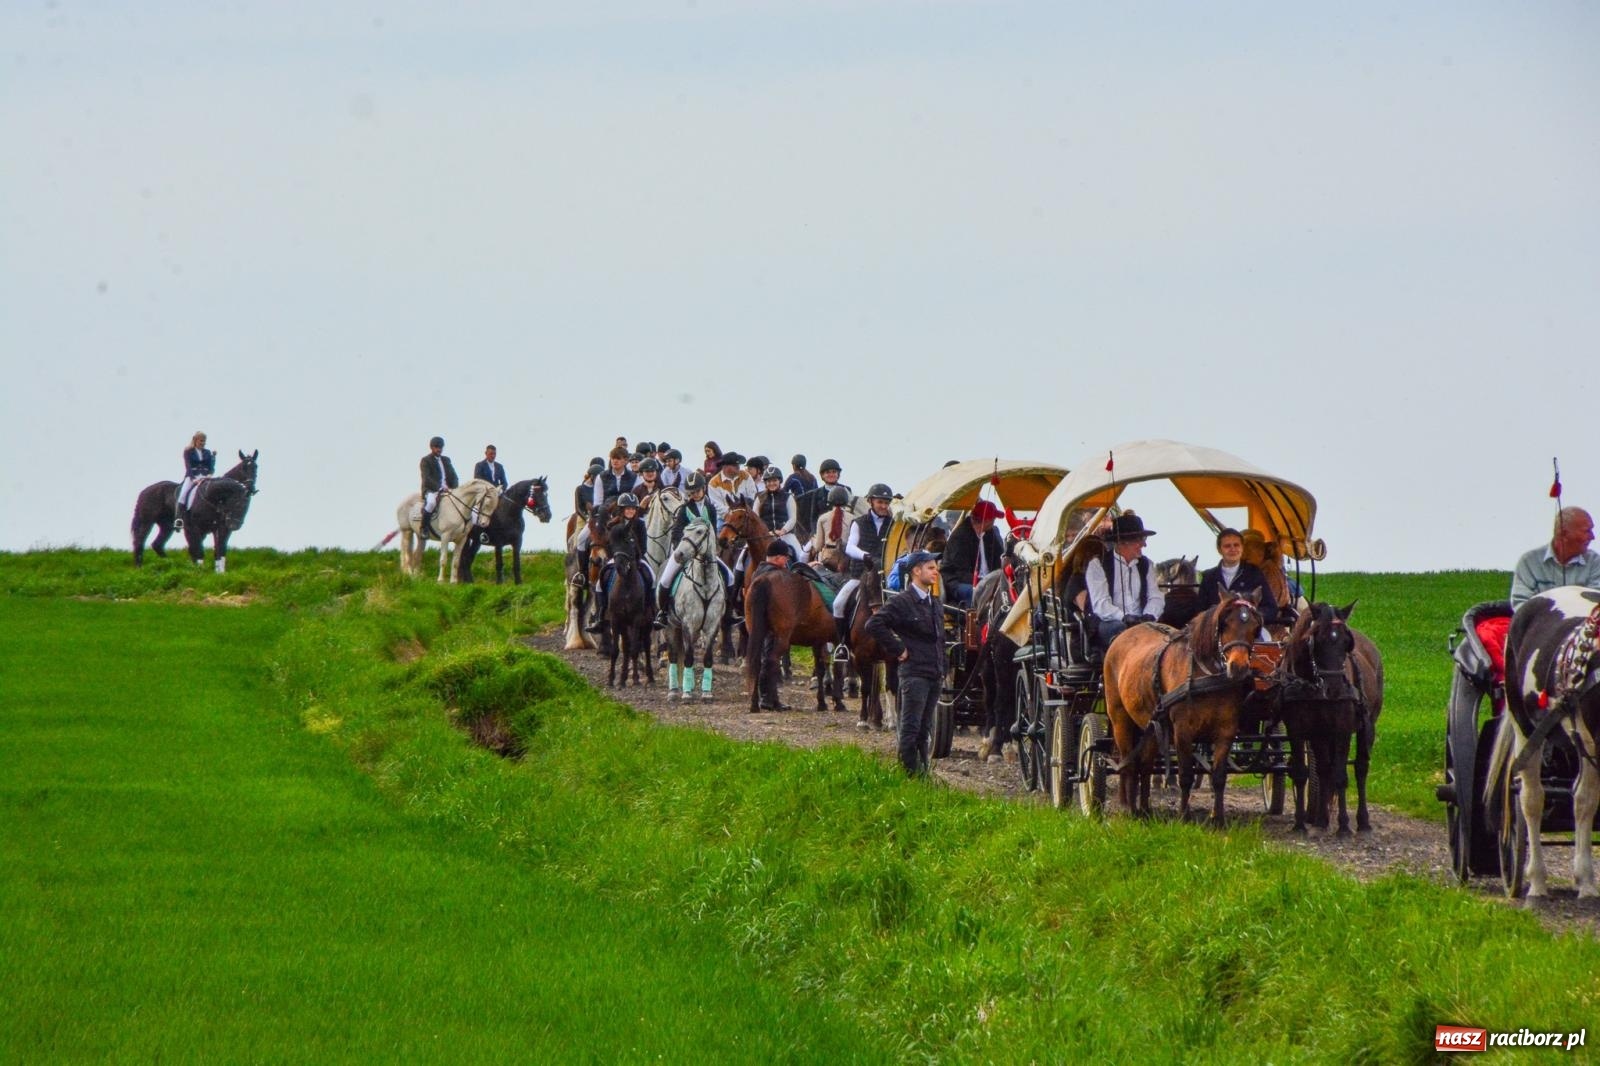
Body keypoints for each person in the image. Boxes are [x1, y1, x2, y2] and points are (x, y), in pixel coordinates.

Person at [865, 550, 947, 775]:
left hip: (933, 674)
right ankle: (908, 777)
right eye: (930, 568)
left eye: (935, 567)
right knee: (910, 729)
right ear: (916, 571)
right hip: (914, 675)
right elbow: (874, 624)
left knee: (925, 730)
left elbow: (939, 639)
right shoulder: (901, 601)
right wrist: (898, 649)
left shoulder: (935, 603)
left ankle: (922, 777)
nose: (935, 571)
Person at [653, 471, 728, 628]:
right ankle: (663, 612)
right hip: (685, 551)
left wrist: (712, 550)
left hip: (706, 553)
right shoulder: (684, 509)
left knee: (730, 576)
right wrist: (682, 549)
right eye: (691, 492)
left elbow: (713, 530)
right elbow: (676, 532)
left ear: (704, 489)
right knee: (665, 579)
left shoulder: (711, 508)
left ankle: (728, 614)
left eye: (697, 491)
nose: (694, 495)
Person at [1084, 514, 1166, 650]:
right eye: (1139, 540)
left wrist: (1149, 615)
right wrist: (1124, 617)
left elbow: (1156, 597)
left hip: (1141, 621)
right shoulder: (1098, 565)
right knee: (1121, 631)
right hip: (1110, 622)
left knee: (1165, 634)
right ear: (1122, 542)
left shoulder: (1146, 565)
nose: (1144, 544)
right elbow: (1101, 605)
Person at [587, 493, 652, 633]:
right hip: (617, 558)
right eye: (627, 509)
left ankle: (652, 611)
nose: (630, 511)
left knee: (651, 577)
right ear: (622, 510)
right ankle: (601, 616)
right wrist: (616, 556)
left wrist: (634, 556)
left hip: (637, 558)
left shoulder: (640, 524)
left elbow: (644, 546)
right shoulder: (613, 524)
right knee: (599, 584)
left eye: (633, 508)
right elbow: (609, 545)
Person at [1511, 507, 1600, 609]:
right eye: (1587, 531)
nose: (1593, 537)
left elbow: (1595, 603)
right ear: (1563, 533)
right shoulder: (1528, 562)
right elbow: (1521, 604)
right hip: (1539, 623)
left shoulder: (1595, 563)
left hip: (1580, 623)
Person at [750, 540, 801, 710]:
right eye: (785, 558)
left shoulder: (758, 572)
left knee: (766, 653)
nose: (787, 561)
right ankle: (768, 696)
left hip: (785, 532)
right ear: (778, 557)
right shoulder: (776, 575)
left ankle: (767, 696)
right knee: (770, 654)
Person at [1197, 527, 1279, 626]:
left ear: (1242, 548)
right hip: (1215, 631)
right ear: (1219, 550)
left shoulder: (1254, 573)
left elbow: (1271, 608)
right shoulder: (1209, 577)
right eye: (1227, 546)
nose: (1233, 549)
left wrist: (1250, 617)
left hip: (1247, 631)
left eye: (1236, 545)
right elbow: (1200, 610)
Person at [940, 500, 1005, 606]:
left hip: (987, 581)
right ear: (984, 520)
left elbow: (999, 559)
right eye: (992, 519)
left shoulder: (992, 533)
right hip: (957, 581)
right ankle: (976, 620)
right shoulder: (960, 537)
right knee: (976, 593)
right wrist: (984, 582)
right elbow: (960, 572)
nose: (994, 522)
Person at [754, 464, 803, 558]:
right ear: (765, 482)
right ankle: (736, 572)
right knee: (741, 558)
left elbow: (792, 518)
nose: (771, 483)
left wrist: (783, 531)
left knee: (800, 556)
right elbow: (756, 519)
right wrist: (765, 533)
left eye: (774, 480)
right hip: (764, 536)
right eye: (768, 481)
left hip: (785, 534)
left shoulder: (788, 497)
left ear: (779, 481)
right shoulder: (759, 498)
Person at [419, 436, 459, 538]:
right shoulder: (425, 460)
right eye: (436, 447)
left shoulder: (446, 460)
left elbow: (453, 475)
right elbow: (427, 478)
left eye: (440, 447)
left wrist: (454, 487)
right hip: (431, 490)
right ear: (431, 447)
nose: (439, 449)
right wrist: (439, 488)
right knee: (431, 502)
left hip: (448, 489)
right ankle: (424, 528)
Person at [175, 430, 216, 528]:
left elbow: (211, 466)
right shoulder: (188, 451)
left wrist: (210, 474)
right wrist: (193, 479)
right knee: (183, 494)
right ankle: (179, 519)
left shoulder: (207, 452)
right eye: (201, 441)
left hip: (205, 477)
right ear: (195, 440)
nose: (203, 443)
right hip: (192, 476)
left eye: (204, 441)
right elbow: (188, 466)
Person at [596, 446, 636, 510]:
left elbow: (636, 499)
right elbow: (598, 501)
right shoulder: (601, 477)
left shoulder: (634, 477)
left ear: (626, 461)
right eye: (613, 458)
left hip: (627, 510)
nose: (615, 461)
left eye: (618, 458)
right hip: (606, 511)